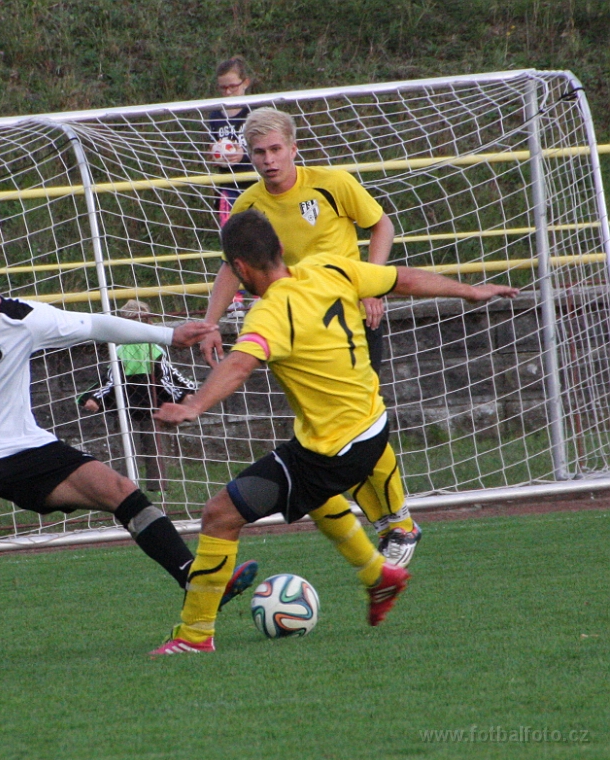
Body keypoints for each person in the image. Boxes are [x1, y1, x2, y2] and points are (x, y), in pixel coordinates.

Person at [150, 209, 519, 654]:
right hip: (373, 428)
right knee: (311, 489)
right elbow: (401, 278)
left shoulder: (270, 313)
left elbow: (240, 364)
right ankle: (378, 576)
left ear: (240, 269)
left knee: (219, 514)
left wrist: (194, 404)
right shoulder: (329, 267)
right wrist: (470, 291)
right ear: (281, 249)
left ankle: (193, 636)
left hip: (333, 451)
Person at [0, 246, 259, 645]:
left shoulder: (19, 317)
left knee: (119, 489)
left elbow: (94, 325)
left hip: (25, 449)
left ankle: (195, 580)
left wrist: (169, 335)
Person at [200, 107, 419, 563]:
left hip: (346, 318)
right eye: (258, 152)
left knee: (356, 418)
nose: (268, 160)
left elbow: (381, 224)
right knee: (322, 433)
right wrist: (210, 322)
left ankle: (398, 525)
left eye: (275, 149)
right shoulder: (248, 207)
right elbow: (230, 265)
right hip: (292, 331)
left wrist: (371, 285)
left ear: (294, 149)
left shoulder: (332, 184)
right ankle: (383, 538)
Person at [78, 299, 198, 493]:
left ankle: (150, 486)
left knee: (148, 448)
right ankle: (133, 486)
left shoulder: (151, 349)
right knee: (134, 449)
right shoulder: (123, 350)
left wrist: (186, 392)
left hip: (148, 406)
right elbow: (110, 379)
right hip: (128, 408)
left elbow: (166, 377)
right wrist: (92, 398)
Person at [207, 56, 255, 227]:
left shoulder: (256, 111)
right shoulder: (215, 116)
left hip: (256, 183)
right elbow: (212, 145)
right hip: (229, 186)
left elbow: (269, 148)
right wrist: (214, 155)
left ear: (245, 83)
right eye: (223, 88)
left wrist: (243, 154)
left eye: (232, 87)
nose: (228, 92)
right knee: (230, 232)